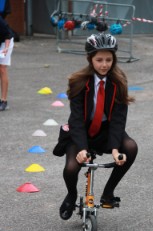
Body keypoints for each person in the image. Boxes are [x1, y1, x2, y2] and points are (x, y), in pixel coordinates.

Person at [53, 33, 138, 220]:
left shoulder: (119, 82)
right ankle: (71, 195)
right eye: (99, 59)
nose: (104, 64)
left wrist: (115, 150)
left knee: (130, 147)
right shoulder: (78, 81)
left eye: (109, 59)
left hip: (105, 131)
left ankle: (108, 193)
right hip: (81, 131)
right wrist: (82, 148)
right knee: (71, 168)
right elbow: (75, 120)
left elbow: (118, 119)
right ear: (90, 59)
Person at [0, 15, 14, 111]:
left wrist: (6, 48)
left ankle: (4, 100)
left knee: (2, 68)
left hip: (6, 42)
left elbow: (8, 34)